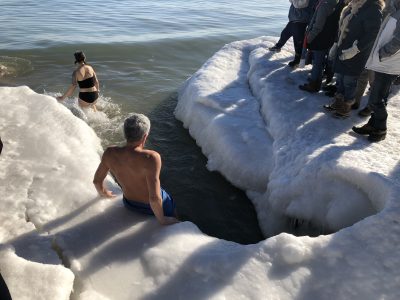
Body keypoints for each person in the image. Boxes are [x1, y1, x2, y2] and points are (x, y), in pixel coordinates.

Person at [93, 113, 179, 225]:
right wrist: (162, 220)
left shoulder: (110, 153)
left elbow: (97, 181)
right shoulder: (151, 157)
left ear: (125, 133)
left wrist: (104, 193)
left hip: (130, 204)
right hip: (153, 207)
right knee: (170, 204)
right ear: (145, 136)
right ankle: (178, 221)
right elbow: (154, 198)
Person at [323, 0, 384, 118]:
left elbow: (372, 34)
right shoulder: (352, 6)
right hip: (343, 49)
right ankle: (338, 102)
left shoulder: (372, 9)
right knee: (340, 78)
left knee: (349, 81)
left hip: (356, 54)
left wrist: (355, 49)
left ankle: (346, 107)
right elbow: (341, 28)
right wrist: (336, 44)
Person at [352, 0, 400, 141]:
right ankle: (373, 124)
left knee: (376, 98)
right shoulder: (394, 10)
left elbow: (398, 41)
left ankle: (380, 129)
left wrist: (382, 53)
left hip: (388, 64)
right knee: (380, 96)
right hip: (385, 63)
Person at [299, 0, 345, 93]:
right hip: (329, 37)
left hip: (320, 39)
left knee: (317, 63)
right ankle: (317, 80)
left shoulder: (324, 5)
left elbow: (317, 26)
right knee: (322, 61)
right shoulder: (336, 3)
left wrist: (309, 38)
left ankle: (314, 85)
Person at [269, 0, 317, 68]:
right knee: (285, 34)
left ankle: (297, 61)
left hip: (301, 21)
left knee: (298, 42)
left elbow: (299, 5)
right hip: (295, 20)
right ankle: (278, 46)